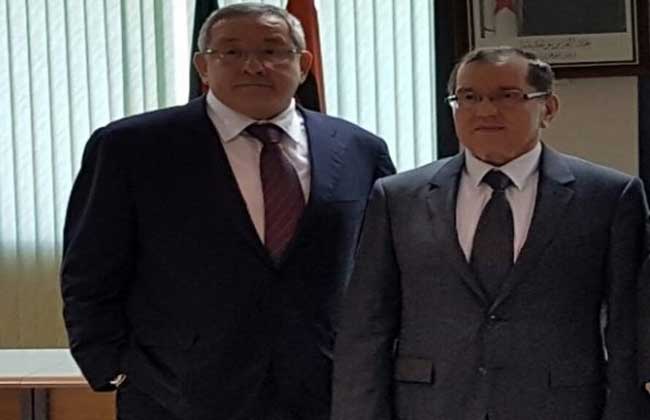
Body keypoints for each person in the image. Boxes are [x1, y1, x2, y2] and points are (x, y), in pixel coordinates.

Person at [60, 4, 395, 420]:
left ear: (304, 64)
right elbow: (90, 268)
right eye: (232, 52)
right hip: (175, 392)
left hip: (325, 389)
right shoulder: (131, 148)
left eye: (273, 51)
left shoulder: (359, 149)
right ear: (203, 66)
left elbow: (385, 269)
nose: (253, 66)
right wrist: (111, 366)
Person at [331, 46, 649, 420]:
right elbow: (366, 324)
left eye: (507, 96)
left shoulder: (608, 196)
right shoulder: (399, 197)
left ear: (548, 108)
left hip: (559, 405)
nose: (485, 111)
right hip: (430, 405)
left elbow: (628, 328)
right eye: (469, 97)